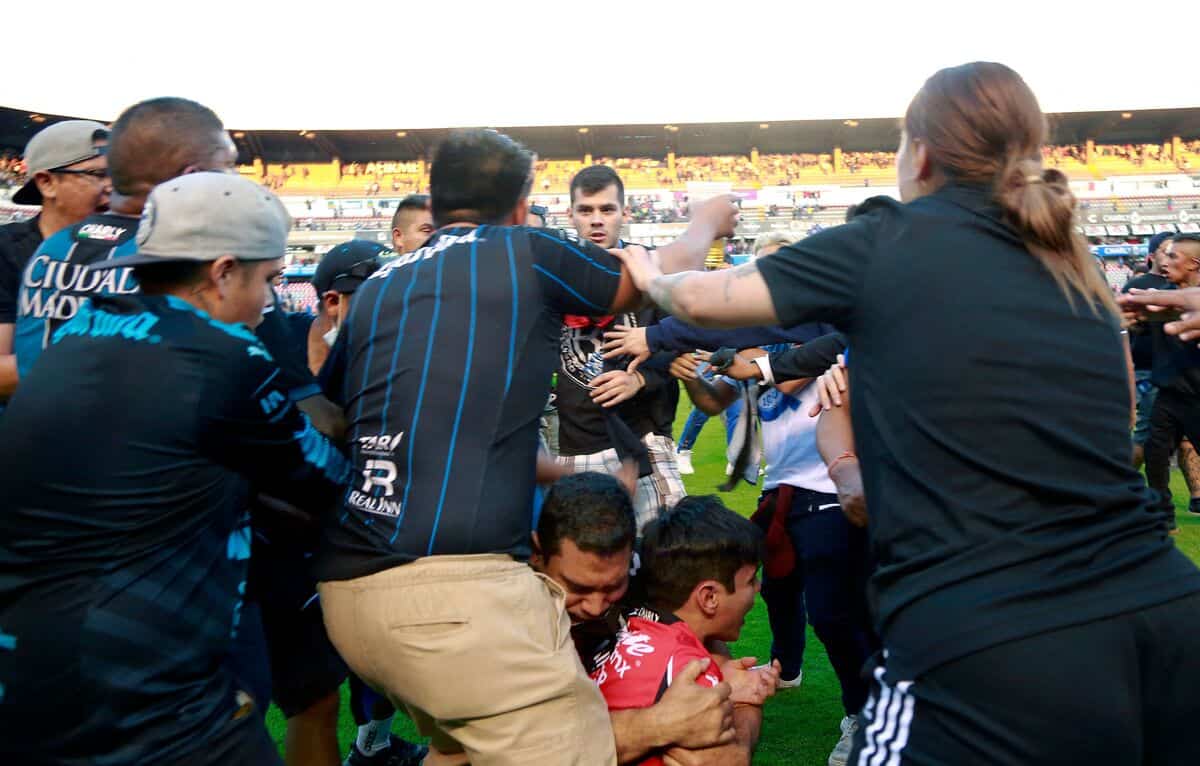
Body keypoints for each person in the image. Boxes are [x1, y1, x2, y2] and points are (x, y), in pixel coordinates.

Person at [614, 62, 1200, 763]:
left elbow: (699, 298)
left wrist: (681, 242)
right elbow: (1118, 433)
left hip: (992, 630)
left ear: (918, 153)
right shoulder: (1070, 262)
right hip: (1167, 611)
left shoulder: (889, 239)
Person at [315, 129, 738, 766]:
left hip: (348, 592)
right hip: (451, 591)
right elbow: (646, 280)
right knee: (680, 739)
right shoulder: (520, 249)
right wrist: (707, 222)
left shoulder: (379, 285)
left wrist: (558, 470)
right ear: (521, 206)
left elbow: (333, 415)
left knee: (459, 751)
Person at [0, 172, 351, 765]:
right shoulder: (224, 357)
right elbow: (326, 480)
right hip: (146, 687)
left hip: (27, 664)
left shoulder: (77, 334)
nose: (269, 302)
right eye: (267, 279)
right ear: (221, 272)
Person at [682, 338, 876, 766]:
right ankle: (787, 668)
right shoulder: (760, 353)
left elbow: (784, 380)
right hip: (781, 490)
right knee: (777, 589)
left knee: (834, 613)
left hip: (829, 490)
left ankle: (862, 714)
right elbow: (714, 400)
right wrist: (694, 375)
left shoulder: (823, 344)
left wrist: (755, 362)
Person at [303, 238, 429, 766]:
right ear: (334, 302)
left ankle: (372, 745)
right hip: (307, 540)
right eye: (376, 296)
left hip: (384, 532)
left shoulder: (393, 352)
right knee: (316, 684)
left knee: (379, 663)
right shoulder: (291, 347)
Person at [529, 472, 742, 765]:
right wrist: (661, 724)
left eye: (613, 586)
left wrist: (731, 700)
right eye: (578, 587)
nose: (594, 606)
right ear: (537, 553)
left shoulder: (643, 567)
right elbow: (531, 749)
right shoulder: (507, 619)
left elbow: (705, 633)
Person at [591, 496, 773, 766]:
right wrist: (747, 702)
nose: (758, 587)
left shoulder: (628, 622)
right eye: (751, 580)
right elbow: (731, 759)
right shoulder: (692, 680)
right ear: (709, 598)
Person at [554, 165, 686, 531]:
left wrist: (640, 379)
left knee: (667, 565)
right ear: (571, 215)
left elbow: (682, 344)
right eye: (586, 210)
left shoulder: (651, 271)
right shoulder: (557, 275)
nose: (597, 220)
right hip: (574, 450)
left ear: (625, 213)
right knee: (591, 577)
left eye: (607, 210)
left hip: (643, 442)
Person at [0, 119, 110, 409]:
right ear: (47, 183)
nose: (112, 187)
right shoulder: (5, 250)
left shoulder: (133, 251)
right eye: (98, 174)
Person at [1137, 233, 1200, 525]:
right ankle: (1163, 517)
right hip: (1167, 393)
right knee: (1155, 453)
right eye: (1165, 254)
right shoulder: (1155, 295)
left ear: (1193, 264)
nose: (1165, 260)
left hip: (1197, 396)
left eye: (1173, 256)